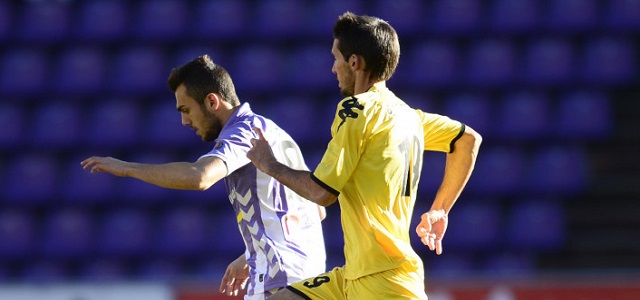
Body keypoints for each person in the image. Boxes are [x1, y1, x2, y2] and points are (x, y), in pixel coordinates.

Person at [246, 12, 482, 300]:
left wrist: (269, 164)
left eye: (336, 58)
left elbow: (321, 193)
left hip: (383, 282)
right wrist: (440, 209)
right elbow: (468, 140)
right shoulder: (409, 116)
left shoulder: (356, 110)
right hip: (354, 276)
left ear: (354, 62)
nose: (333, 68)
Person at [81, 55, 326, 300]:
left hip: (280, 279)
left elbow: (201, 176)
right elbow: (315, 210)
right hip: (303, 278)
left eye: (186, 110)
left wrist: (127, 168)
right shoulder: (272, 130)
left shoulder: (243, 133)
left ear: (211, 101)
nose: (184, 121)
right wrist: (252, 254)